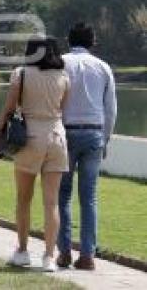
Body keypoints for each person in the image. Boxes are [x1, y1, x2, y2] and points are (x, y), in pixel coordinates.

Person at [0, 37, 69, 272]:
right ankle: (49, 256)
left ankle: (23, 250)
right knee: (52, 202)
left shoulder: (21, 73)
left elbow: (9, 108)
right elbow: (62, 109)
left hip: (29, 138)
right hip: (57, 137)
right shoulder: (63, 76)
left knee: (23, 199)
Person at [57, 23, 117, 270]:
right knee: (89, 197)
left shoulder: (60, 63)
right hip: (93, 132)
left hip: (65, 132)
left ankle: (64, 252)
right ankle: (88, 255)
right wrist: (106, 138)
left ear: (68, 40)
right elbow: (110, 109)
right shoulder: (103, 67)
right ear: (92, 42)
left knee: (62, 195)